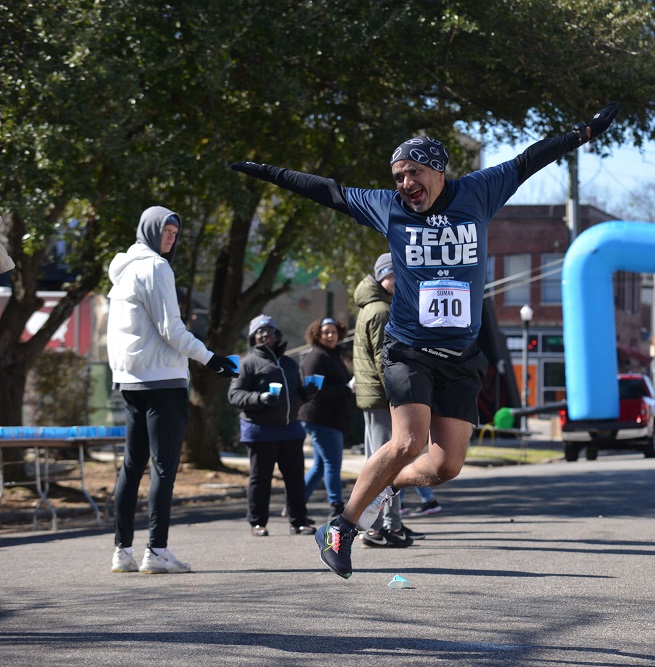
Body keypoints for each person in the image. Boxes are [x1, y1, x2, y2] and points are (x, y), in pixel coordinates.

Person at [232, 101, 620, 578]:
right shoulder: (388, 207)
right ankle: (341, 527)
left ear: (437, 170)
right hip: (408, 348)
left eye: (412, 173)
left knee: (445, 467)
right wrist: (266, 172)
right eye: (397, 176)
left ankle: (384, 487)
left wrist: (583, 131)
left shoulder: (479, 192)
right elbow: (326, 191)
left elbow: (531, 157)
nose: (404, 185)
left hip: (460, 355)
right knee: (408, 442)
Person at [107, 206, 238, 574]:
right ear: (149, 229)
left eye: (175, 232)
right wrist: (211, 359)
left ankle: (122, 550)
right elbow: (171, 329)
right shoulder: (155, 268)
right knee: (163, 467)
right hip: (162, 379)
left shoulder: (123, 273)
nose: (170, 236)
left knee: (132, 466)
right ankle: (158, 551)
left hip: (130, 380)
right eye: (165, 229)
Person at [228, 314, 318, 537]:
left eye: (269, 331)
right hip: (260, 431)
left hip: (290, 429)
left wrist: (306, 394)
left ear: (277, 335)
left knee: (295, 479)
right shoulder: (247, 363)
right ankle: (258, 523)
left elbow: (295, 394)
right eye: (259, 331)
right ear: (253, 338)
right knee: (261, 479)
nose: (264, 334)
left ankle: (299, 521)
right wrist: (259, 398)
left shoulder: (288, 363)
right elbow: (234, 395)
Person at [352, 253, 416, 548]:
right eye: (393, 276)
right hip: (382, 395)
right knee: (386, 463)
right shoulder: (379, 310)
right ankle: (376, 527)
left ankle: (389, 524)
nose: (398, 281)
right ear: (381, 277)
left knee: (378, 461)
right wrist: (399, 393)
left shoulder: (371, 306)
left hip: (372, 395)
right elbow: (384, 360)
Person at [299, 317, 353, 520]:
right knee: (332, 463)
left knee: (321, 465)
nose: (330, 335)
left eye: (334, 332)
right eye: (326, 332)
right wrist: (346, 388)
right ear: (317, 335)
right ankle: (336, 505)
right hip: (320, 417)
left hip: (330, 417)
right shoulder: (317, 357)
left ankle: (296, 503)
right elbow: (316, 392)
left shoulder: (332, 355)